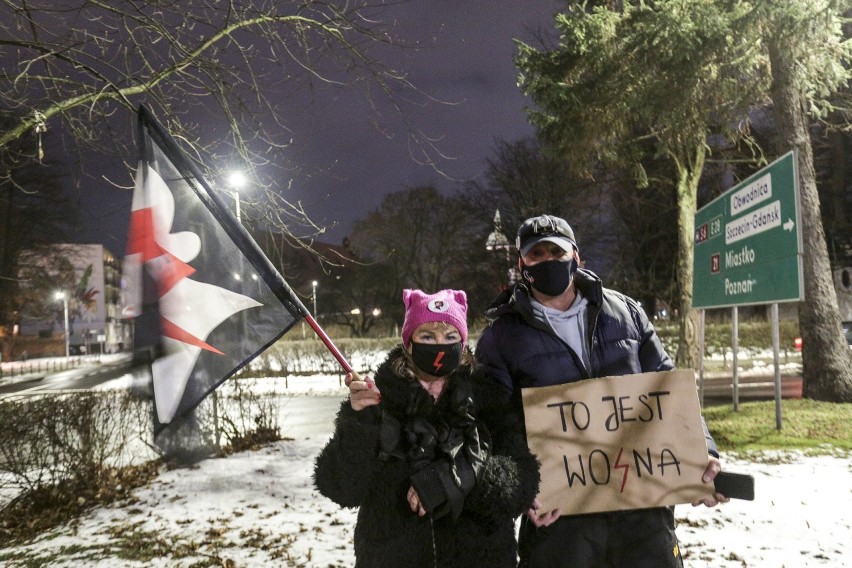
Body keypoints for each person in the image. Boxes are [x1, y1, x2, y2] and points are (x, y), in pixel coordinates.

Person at [475, 214, 729, 568]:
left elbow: (668, 391)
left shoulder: (626, 313)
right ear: (522, 264)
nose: (548, 260)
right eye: (537, 255)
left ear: (576, 257)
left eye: (556, 251)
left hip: (641, 514)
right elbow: (496, 424)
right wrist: (523, 489)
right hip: (562, 521)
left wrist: (701, 453)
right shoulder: (500, 338)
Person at [314, 289, 540, 568]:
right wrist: (359, 423)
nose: (439, 345)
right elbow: (340, 487)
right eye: (428, 337)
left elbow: (522, 478)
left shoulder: (487, 398)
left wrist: (455, 481)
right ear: (409, 343)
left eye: (450, 337)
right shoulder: (380, 400)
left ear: (463, 343)